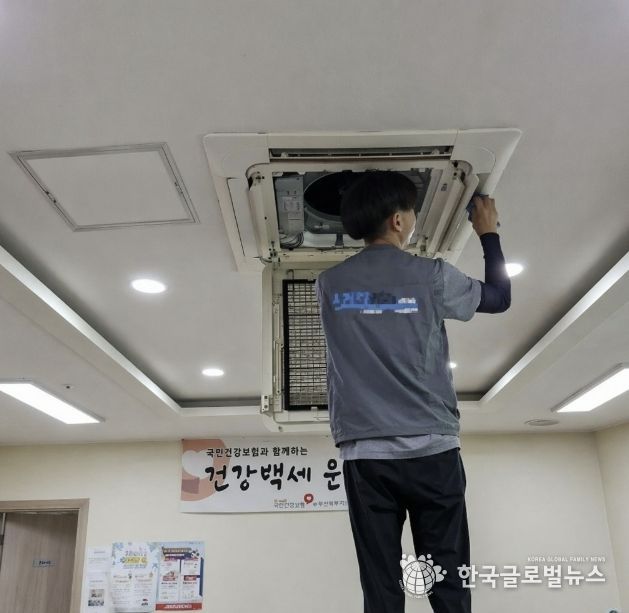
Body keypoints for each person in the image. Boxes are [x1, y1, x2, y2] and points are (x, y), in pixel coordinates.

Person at [314, 170, 511, 613]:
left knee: (381, 589)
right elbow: (500, 298)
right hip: (433, 452)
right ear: (398, 220)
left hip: (366, 456)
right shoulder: (431, 276)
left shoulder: (329, 285)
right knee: (448, 584)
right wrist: (489, 233)